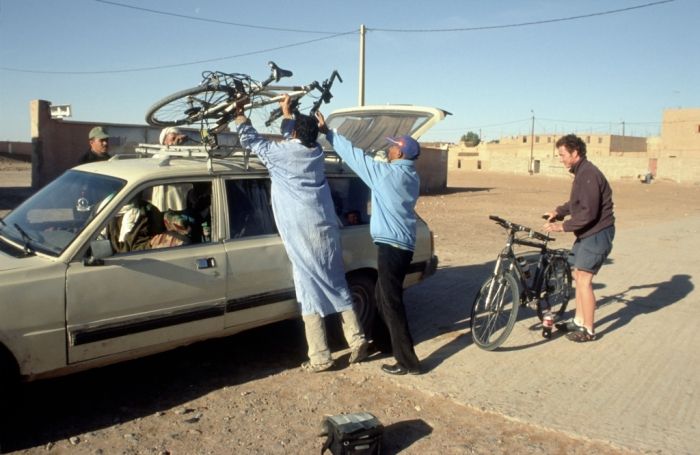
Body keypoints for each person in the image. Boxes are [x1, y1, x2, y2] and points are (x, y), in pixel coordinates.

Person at [233, 95, 368, 373]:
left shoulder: (280, 154)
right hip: (325, 229)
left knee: (309, 293)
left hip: (301, 233)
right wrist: (287, 112)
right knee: (337, 285)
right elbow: (292, 136)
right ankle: (357, 339)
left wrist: (239, 113)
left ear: (295, 133)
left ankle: (320, 356)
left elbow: (249, 139)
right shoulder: (316, 152)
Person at [317, 112, 422, 376]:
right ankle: (386, 344)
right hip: (402, 245)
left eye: (392, 145)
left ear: (401, 153)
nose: (388, 148)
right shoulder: (411, 176)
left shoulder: (387, 176)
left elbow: (355, 157)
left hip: (392, 247)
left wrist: (329, 133)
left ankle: (409, 362)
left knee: (391, 302)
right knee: (380, 296)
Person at [543, 134, 615, 342]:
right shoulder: (583, 172)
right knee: (577, 276)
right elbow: (577, 202)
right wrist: (559, 211)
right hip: (588, 233)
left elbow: (588, 213)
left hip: (597, 233)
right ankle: (579, 320)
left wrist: (562, 226)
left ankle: (589, 330)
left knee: (584, 280)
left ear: (575, 153)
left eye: (562, 154)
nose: (561, 158)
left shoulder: (588, 174)